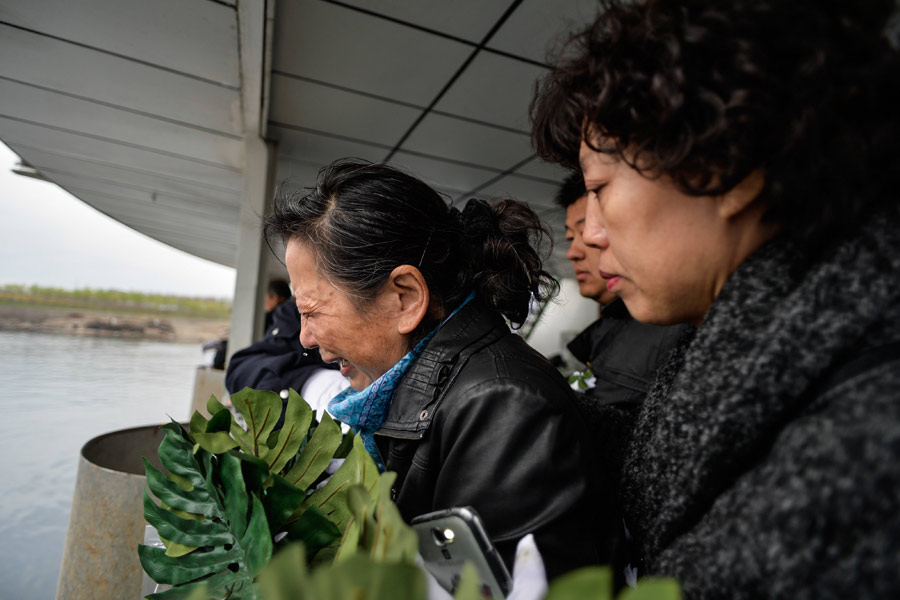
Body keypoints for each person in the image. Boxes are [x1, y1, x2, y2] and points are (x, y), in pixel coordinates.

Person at [531, 0, 900, 596]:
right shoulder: (750, 329)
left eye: (599, 187)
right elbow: (659, 467)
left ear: (724, 166)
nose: (591, 234)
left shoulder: (869, 451)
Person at [264, 158, 603, 579]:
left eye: (311, 312)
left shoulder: (502, 410)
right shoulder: (432, 394)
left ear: (403, 298)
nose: (305, 339)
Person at [225, 297, 348, 424]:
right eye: (307, 315)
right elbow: (243, 366)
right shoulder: (291, 314)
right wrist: (312, 384)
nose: (306, 339)